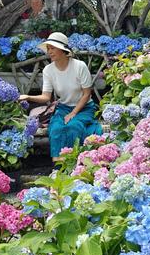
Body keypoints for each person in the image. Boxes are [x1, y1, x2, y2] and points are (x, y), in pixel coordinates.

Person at [19, 32, 102, 162]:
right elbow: (46, 97)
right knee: (56, 128)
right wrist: (28, 97)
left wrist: (74, 113)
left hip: (84, 108)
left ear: (63, 50)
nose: (49, 52)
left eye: (53, 48)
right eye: (48, 49)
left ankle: (75, 165)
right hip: (63, 108)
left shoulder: (79, 66)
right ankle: (57, 167)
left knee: (73, 127)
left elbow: (87, 94)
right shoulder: (48, 70)